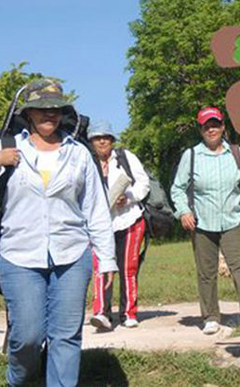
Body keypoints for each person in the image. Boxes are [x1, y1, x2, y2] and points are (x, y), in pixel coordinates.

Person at [0, 79, 117, 387]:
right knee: (27, 336)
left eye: (54, 110)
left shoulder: (78, 154)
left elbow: (96, 211)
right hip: (19, 254)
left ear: (63, 113)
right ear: (28, 115)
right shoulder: (6, 147)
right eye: (40, 110)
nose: (48, 115)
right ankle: (20, 380)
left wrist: (107, 260)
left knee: (65, 336)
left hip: (71, 255)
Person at [170, 107, 240, 335]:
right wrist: (183, 211)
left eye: (215, 124)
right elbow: (177, 189)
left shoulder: (236, 153)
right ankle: (211, 316)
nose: (211, 129)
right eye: (206, 126)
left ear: (223, 127)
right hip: (202, 223)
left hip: (232, 219)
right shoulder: (191, 156)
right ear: (201, 130)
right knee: (206, 271)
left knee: (239, 266)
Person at [88, 120, 150, 331]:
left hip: (129, 220)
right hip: (99, 225)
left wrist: (129, 197)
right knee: (101, 268)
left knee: (127, 268)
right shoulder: (86, 162)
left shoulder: (125, 157)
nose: (102, 141)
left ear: (112, 140)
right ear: (91, 141)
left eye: (106, 137)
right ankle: (101, 313)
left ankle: (128, 313)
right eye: (97, 137)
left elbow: (144, 183)